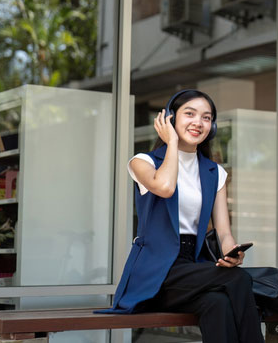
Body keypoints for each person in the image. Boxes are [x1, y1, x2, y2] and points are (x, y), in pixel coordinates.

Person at [99, 89, 264, 343]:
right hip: (156, 272)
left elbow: (223, 231)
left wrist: (233, 253)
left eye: (207, 118)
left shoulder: (214, 173)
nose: (198, 122)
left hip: (192, 268)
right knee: (238, 280)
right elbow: (165, 187)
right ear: (170, 119)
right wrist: (172, 143)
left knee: (217, 303)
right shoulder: (143, 162)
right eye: (190, 114)